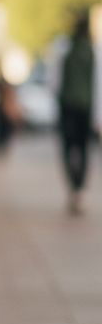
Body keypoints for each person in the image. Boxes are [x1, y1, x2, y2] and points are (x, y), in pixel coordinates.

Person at [58, 13, 95, 215]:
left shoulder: (65, 48)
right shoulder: (92, 51)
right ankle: (78, 188)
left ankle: (74, 185)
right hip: (85, 107)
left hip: (67, 106)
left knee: (68, 148)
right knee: (82, 149)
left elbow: (55, 82)